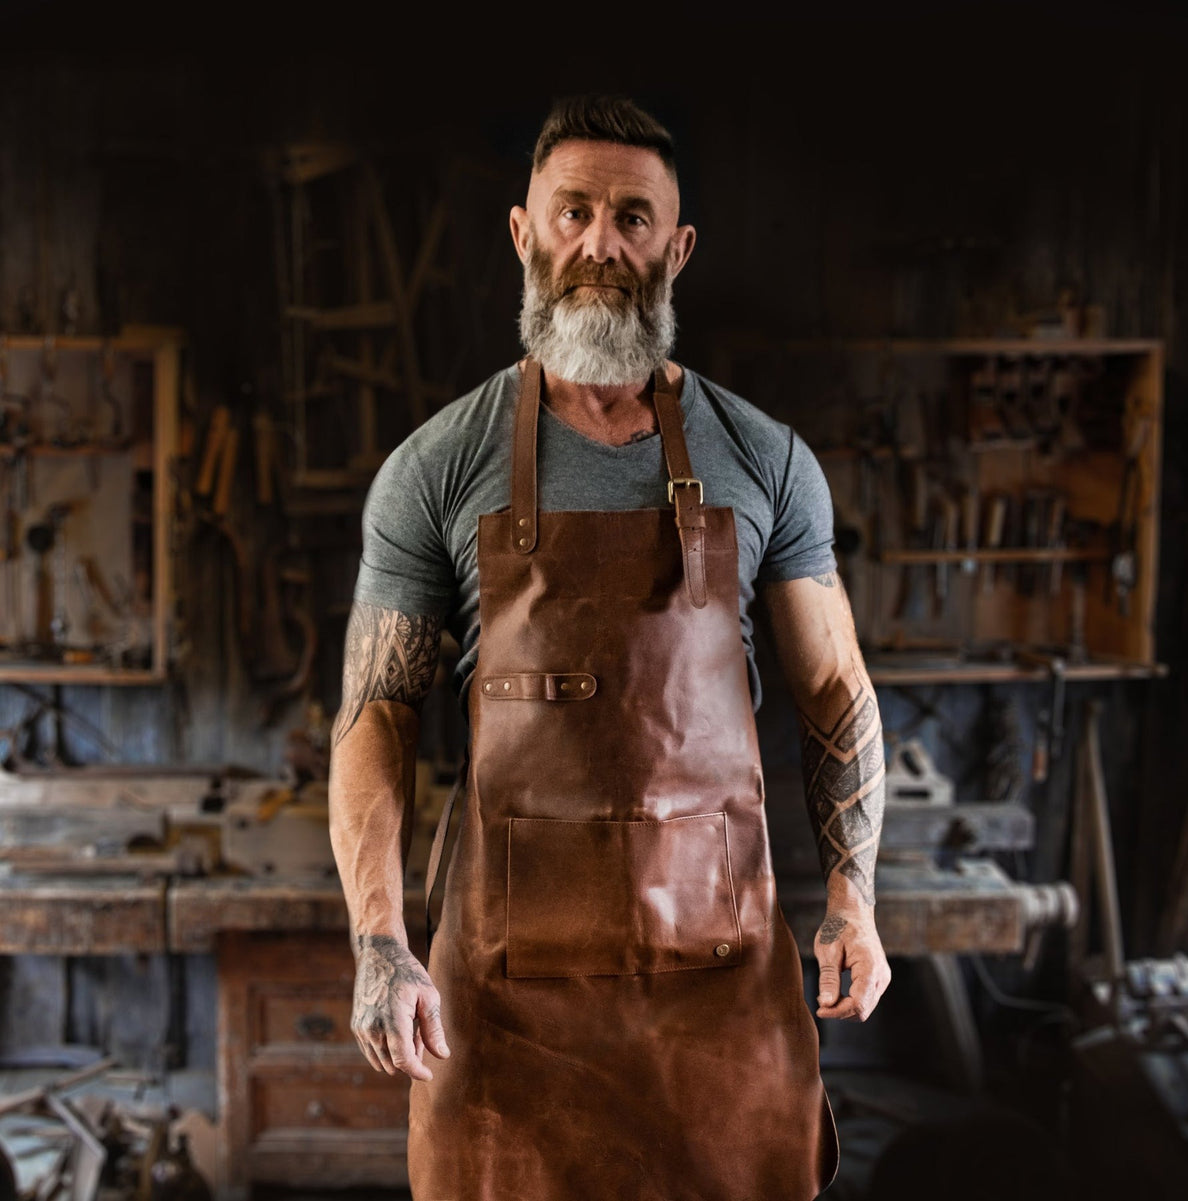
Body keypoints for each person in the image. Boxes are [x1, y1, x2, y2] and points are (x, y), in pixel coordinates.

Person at [329, 94, 890, 1201]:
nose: (601, 245)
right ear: (524, 232)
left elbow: (833, 688)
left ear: (676, 249)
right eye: (573, 211)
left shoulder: (766, 460)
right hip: (502, 1004)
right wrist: (381, 942)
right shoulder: (436, 467)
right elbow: (375, 716)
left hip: (719, 992)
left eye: (634, 218)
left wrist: (856, 899)